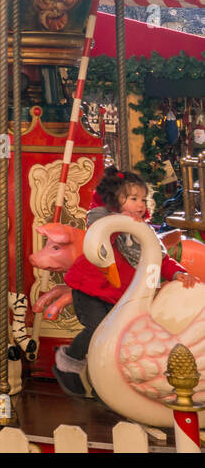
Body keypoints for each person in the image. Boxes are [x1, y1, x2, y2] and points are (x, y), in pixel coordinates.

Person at [52, 167, 199, 397]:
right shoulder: (107, 223)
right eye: (132, 199)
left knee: (119, 339)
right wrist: (121, 221)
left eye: (143, 199)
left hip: (119, 296)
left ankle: (107, 381)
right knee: (98, 329)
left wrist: (177, 273)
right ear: (115, 201)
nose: (140, 204)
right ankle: (69, 360)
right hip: (91, 289)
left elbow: (159, 257)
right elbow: (99, 236)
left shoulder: (144, 231)